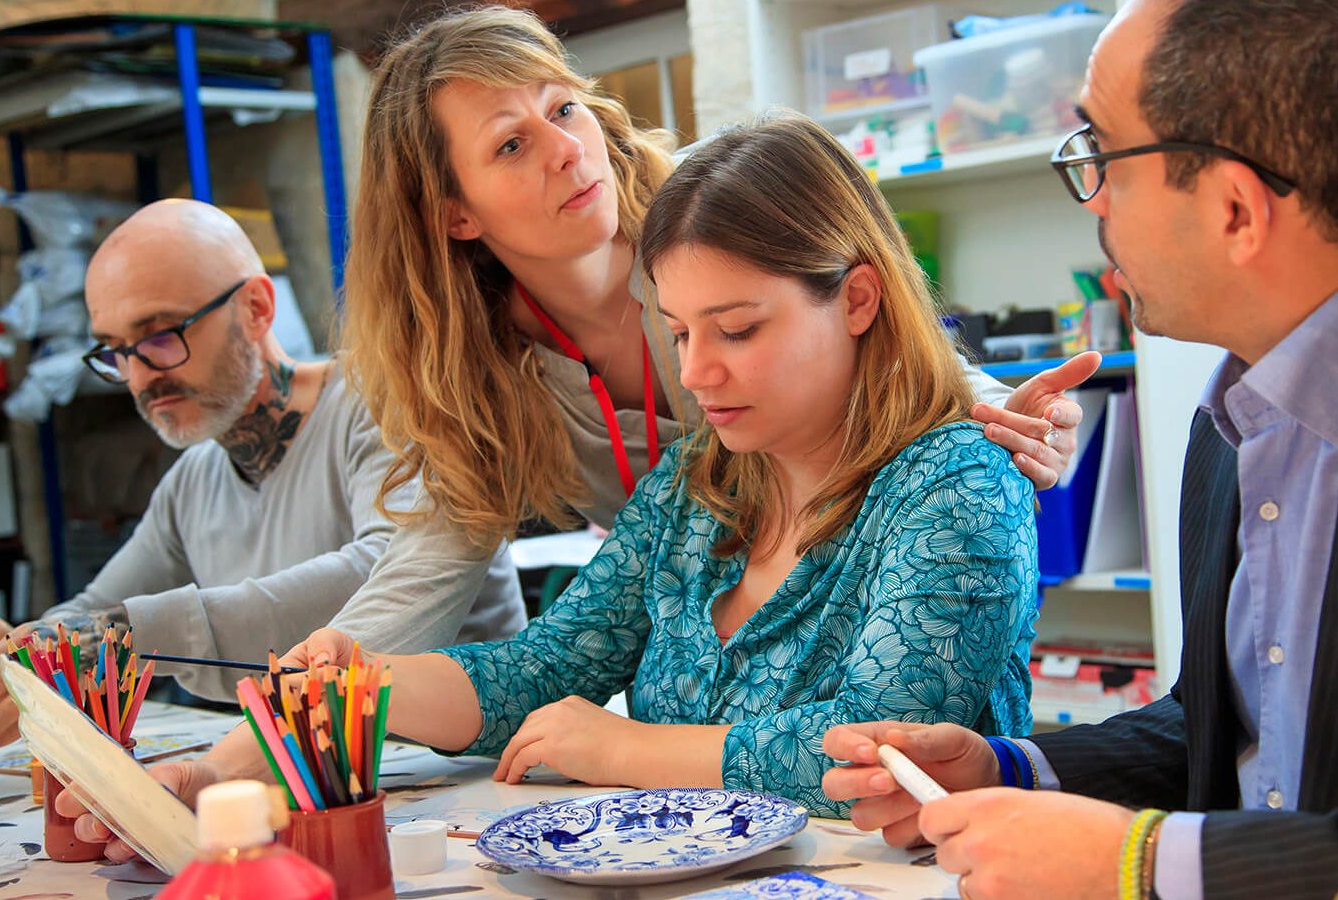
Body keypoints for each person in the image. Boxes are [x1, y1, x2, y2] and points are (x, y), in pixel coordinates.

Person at [61, 115, 1044, 862]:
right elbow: (543, 670)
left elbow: (883, 750)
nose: (695, 375)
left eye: (737, 330)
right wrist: (364, 682)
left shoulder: (954, 483)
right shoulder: (698, 482)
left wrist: (624, 750)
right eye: (679, 331)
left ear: (859, 299)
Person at [824, 0, 1338, 896]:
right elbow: (1227, 731)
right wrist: (1013, 772)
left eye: (1104, 153)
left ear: (1236, 208)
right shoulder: (1240, 408)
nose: (1095, 198)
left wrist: (1150, 862)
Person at [316, 5, 1096, 646]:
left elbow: (892, 334)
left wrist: (1005, 407)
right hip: (714, 648)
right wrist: (304, 692)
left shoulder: (706, 219)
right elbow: (430, 563)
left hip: (868, 602)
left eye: (564, 108)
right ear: (453, 213)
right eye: (512, 144)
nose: (565, 150)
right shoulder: (474, 370)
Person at [0, 200, 525, 751]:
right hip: (301, 770)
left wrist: (124, 634)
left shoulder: (389, 405)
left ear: (257, 308)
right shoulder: (193, 482)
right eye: (115, 350)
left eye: (160, 336)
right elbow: (99, 610)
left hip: (461, 772)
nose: (140, 378)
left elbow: (389, 573)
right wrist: (19, 646)